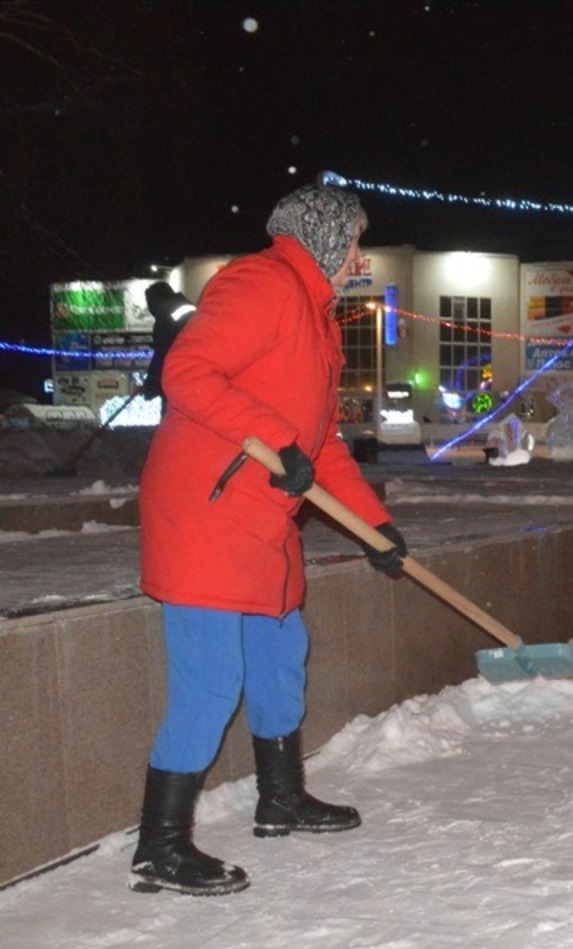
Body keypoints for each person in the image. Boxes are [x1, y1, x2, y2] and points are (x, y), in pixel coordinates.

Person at [131, 182, 409, 896]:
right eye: (354, 240)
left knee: (281, 656)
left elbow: (320, 445)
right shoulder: (261, 283)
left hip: (264, 516)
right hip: (206, 512)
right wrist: (276, 440)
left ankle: (280, 798)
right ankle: (160, 845)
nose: (359, 256)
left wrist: (373, 526)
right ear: (323, 235)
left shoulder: (317, 318)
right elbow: (187, 371)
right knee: (210, 681)